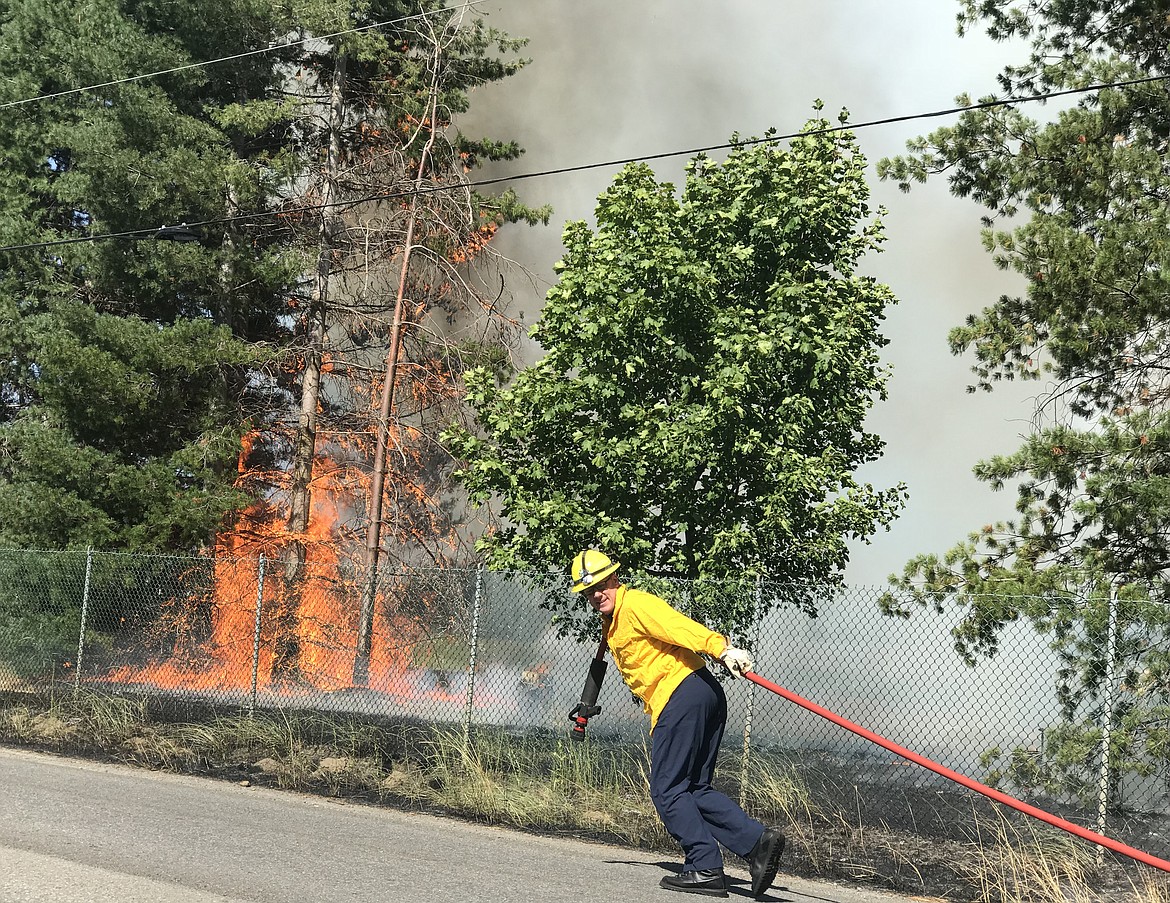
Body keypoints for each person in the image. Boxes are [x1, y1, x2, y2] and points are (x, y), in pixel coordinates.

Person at [570, 549, 785, 899]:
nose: (596, 595)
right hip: (701, 692)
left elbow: (677, 625)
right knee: (693, 788)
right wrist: (586, 706)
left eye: (601, 585)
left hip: (680, 694)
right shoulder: (612, 621)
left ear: (614, 579)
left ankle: (704, 866)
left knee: (666, 789)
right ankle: (757, 843)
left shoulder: (636, 605)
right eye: (588, 591)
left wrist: (720, 648)